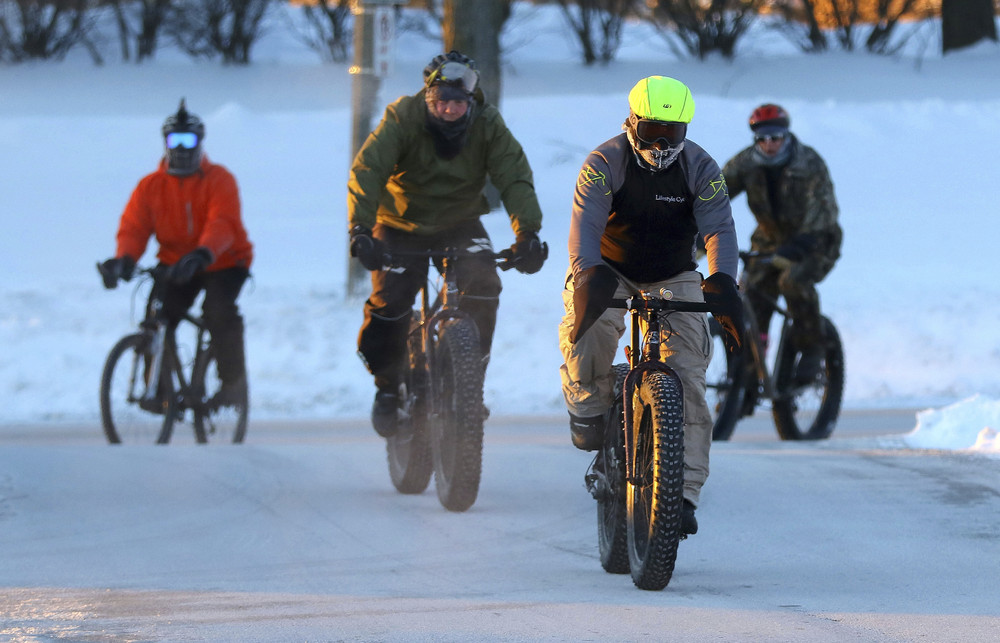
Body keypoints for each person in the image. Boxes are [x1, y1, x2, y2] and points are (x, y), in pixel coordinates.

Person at [558, 76, 743, 536]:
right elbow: (585, 223)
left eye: (673, 133)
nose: (662, 144)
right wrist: (587, 271)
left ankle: (682, 492)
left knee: (688, 375)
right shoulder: (605, 162)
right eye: (652, 132)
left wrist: (721, 279)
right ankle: (589, 406)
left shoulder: (702, 167)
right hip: (607, 268)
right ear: (632, 122)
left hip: (673, 273)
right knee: (590, 329)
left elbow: (719, 227)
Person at [347, 50, 548, 438]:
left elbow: (514, 176)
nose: (451, 110)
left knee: (484, 284)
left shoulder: (488, 124)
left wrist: (527, 233)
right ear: (429, 99)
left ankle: (467, 384)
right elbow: (368, 170)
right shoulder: (402, 117)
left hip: (460, 223)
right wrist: (360, 229)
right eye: (443, 102)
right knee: (392, 299)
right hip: (399, 223)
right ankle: (389, 387)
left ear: (471, 101)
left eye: (459, 102)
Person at [98, 99, 254, 408]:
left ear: (200, 143)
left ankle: (232, 383)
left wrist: (202, 253)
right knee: (157, 318)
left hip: (223, 261)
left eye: (189, 140)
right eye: (175, 140)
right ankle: (158, 388)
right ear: (166, 144)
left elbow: (223, 223)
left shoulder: (220, 180)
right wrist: (124, 260)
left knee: (218, 312)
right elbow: (134, 227)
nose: (182, 148)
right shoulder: (150, 186)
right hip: (174, 263)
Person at [722, 104, 842, 382]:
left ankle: (812, 348)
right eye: (762, 138)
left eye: (775, 137)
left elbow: (824, 213)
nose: (769, 144)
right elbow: (713, 196)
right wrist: (697, 234)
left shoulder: (808, 163)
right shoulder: (746, 163)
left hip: (817, 240)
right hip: (770, 241)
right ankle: (747, 380)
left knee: (792, 281)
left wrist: (798, 247)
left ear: (786, 135)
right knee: (750, 296)